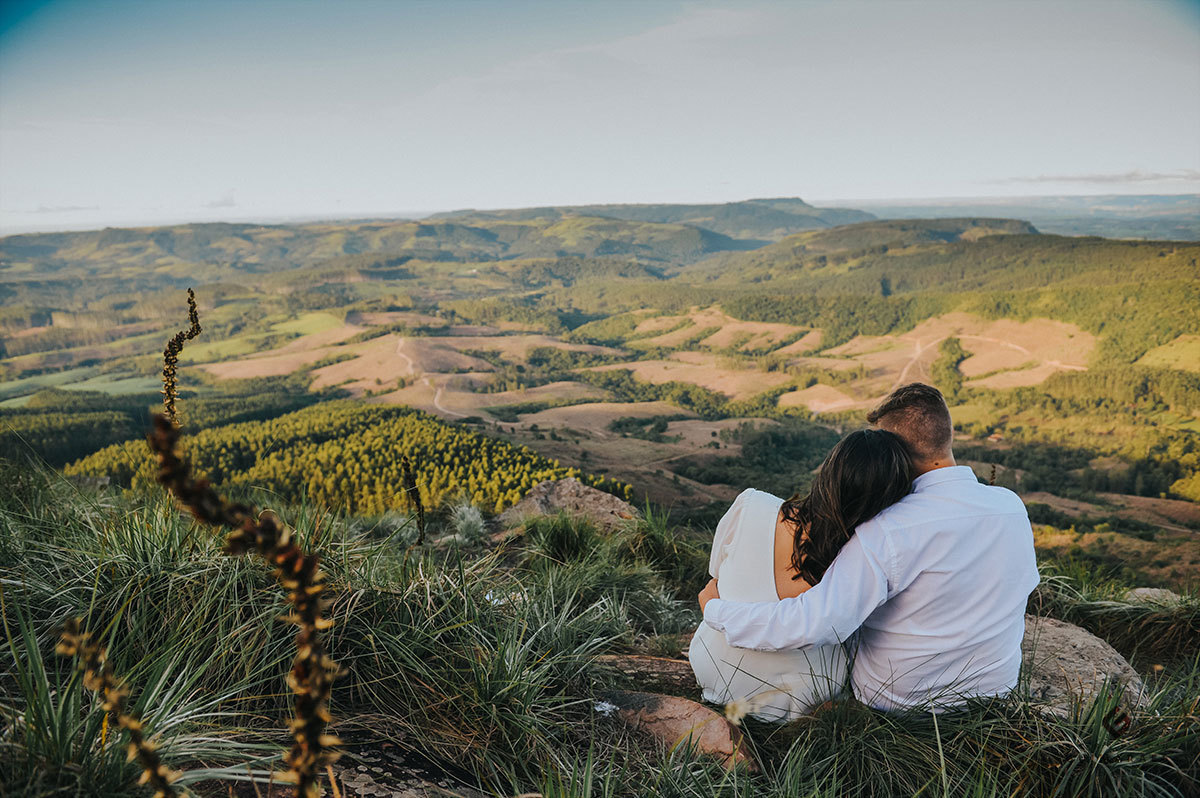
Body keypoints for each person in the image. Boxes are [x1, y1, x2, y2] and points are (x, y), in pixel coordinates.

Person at [698, 383, 1040, 713]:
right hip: (994, 691)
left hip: (902, 702)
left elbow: (814, 624)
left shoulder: (887, 529)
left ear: (893, 453)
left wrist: (716, 609)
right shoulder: (1010, 506)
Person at [687, 428, 913, 721]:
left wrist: (718, 607)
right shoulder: (864, 560)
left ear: (828, 471)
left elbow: (716, 575)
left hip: (714, 670)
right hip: (799, 699)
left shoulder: (750, 505)